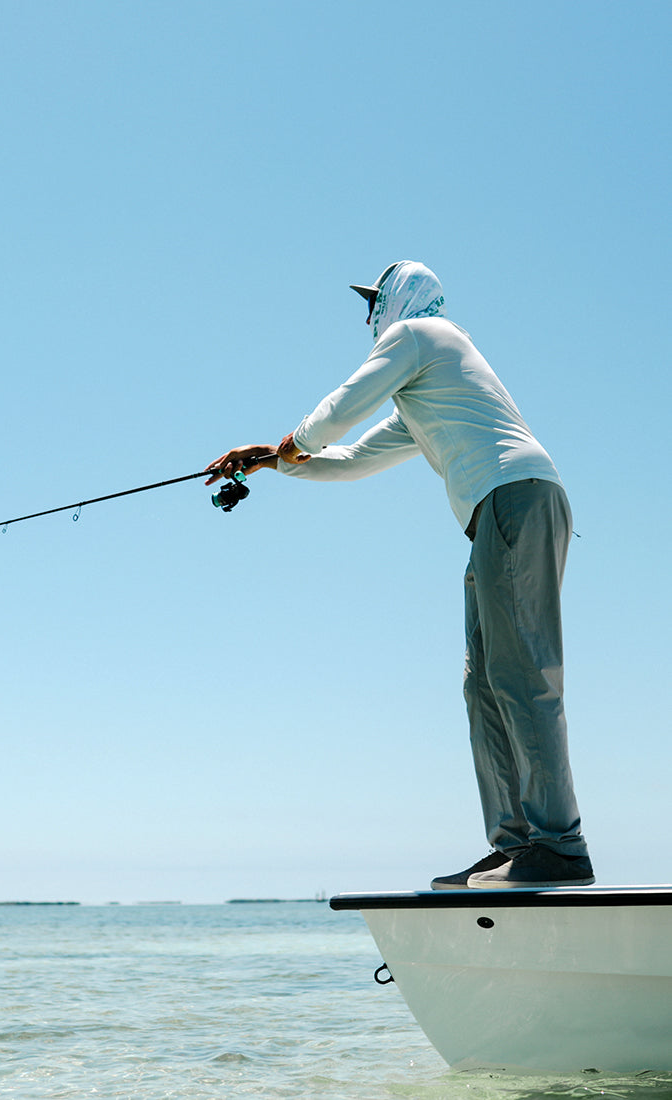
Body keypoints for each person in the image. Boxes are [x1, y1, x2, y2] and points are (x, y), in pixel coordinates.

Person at [205, 261, 593, 889]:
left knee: (523, 675)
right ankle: (515, 845)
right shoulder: (428, 383)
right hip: (496, 515)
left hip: (516, 497)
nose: (368, 317)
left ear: (398, 299)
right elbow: (352, 458)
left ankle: (560, 845)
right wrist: (275, 461)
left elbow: (338, 414)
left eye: (372, 302)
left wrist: (293, 440)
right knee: (483, 685)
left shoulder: (419, 336)